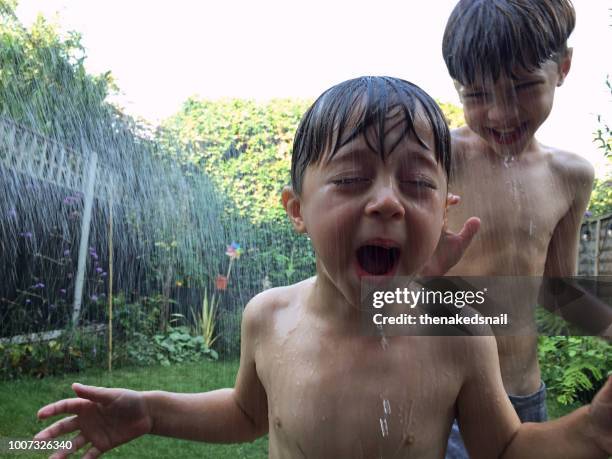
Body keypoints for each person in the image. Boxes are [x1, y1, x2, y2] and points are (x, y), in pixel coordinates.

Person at [35, 77, 612, 459]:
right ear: (298, 211)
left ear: (442, 212)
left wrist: (590, 429)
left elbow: (506, 450)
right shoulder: (269, 317)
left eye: (416, 183)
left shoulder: (457, 334)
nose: (387, 201)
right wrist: (152, 409)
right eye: (351, 178)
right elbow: (246, 412)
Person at [440, 1, 612, 457]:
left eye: (522, 87)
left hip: (521, 396)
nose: (500, 113)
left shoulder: (570, 176)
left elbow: (557, 291)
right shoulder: (437, 158)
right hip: (441, 396)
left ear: (564, 67)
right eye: (476, 95)